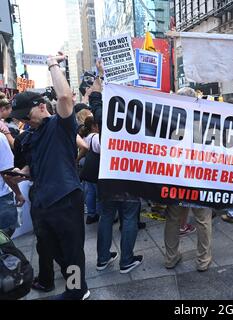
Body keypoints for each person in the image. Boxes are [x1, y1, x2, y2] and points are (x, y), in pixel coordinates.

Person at [9, 53, 90, 300]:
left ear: (41, 106)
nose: (22, 121)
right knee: (53, 249)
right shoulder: (30, 136)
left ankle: (78, 290)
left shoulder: (60, 124)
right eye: (19, 118)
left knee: (72, 250)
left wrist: (53, 64)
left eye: (24, 115)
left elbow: (65, 96)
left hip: (65, 200)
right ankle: (72, 283)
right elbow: (34, 167)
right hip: (42, 204)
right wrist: (21, 174)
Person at [87, 61, 143, 274]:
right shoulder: (140, 115)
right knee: (129, 217)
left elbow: (94, 98)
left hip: (108, 174)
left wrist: (100, 75)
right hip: (129, 174)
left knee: (106, 215)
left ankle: (102, 259)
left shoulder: (104, 115)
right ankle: (126, 260)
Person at [164, 87, 213, 272]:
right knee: (202, 218)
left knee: (173, 217)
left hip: (176, 175)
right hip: (199, 177)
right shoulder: (206, 120)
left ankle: (171, 257)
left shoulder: (168, 119)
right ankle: (203, 260)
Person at [0, 131, 25, 237]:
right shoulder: (0, 138)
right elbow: (6, 171)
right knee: (5, 235)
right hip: (2, 197)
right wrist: (18, 193)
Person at [78, 116, 101, 224]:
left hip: (88, 169)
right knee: (99, 194)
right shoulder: (96, 137)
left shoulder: (85, 136)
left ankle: (91, 214)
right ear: (94, 126)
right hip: (96, 170)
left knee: (90, 192)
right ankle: (101, 214)